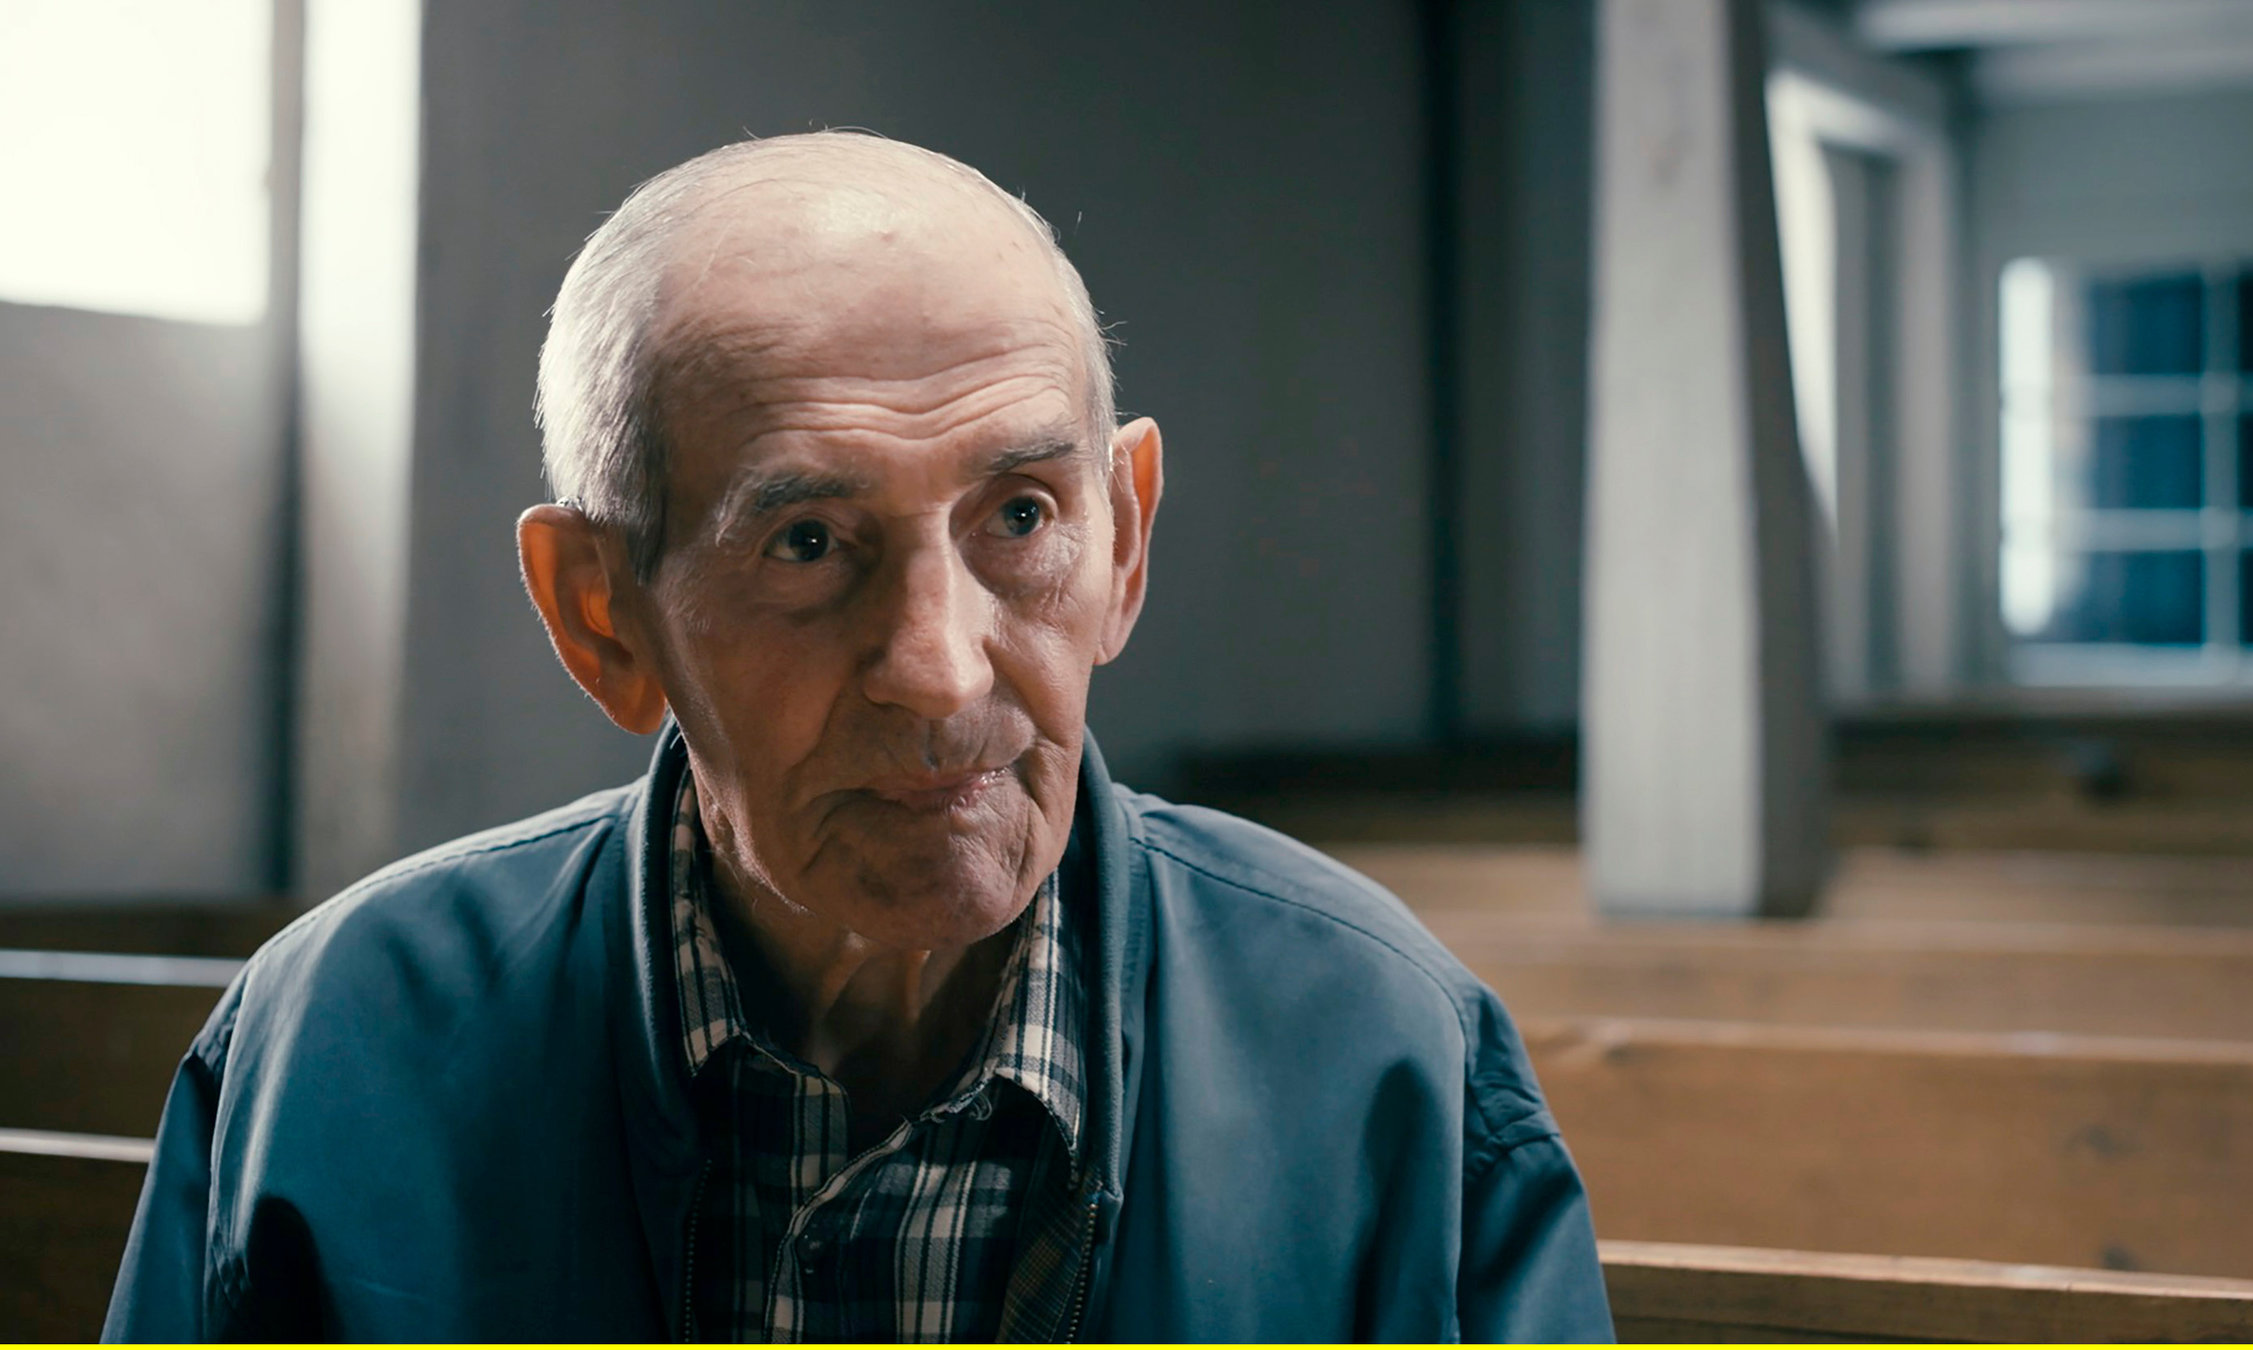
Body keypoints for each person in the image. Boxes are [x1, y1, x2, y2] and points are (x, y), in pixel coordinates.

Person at [103, 132, 1612, 1342]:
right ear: (602, 614)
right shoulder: (332, 1055)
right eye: (810, 543)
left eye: (1022, 517)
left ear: (1125, 541)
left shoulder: (1392, 1062)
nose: (941, 672)